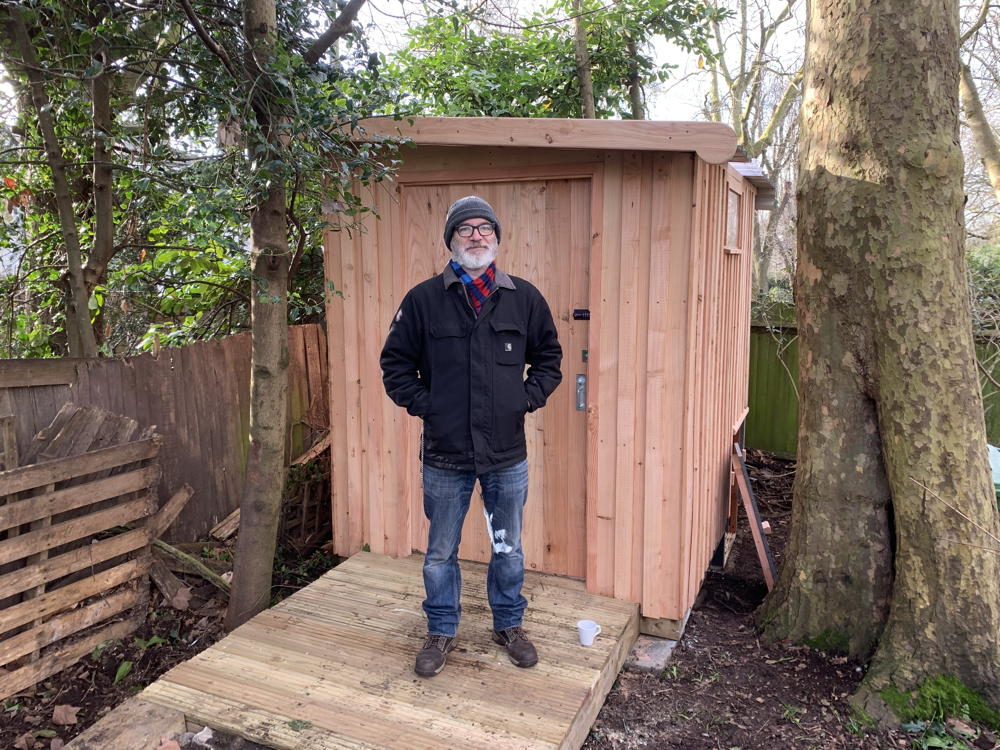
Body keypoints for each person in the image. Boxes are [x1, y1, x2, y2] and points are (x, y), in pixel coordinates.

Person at [380, 195, 563, 678]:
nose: (476, 236)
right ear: (452, 240)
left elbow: (549, 360)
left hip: (506, 453)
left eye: (485, 228)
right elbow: (395, 365)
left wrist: (524, 400)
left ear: (497, 239)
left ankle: (509, 624)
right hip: (445, 454)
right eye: (466, 229)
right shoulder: (423, 300)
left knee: (509, 547)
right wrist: (430, 407)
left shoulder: (524, 298)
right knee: (440, 551)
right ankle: (440, 630)